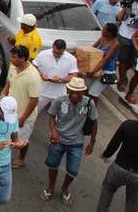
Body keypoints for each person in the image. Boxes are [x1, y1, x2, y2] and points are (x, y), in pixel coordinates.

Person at [41, 77, 98, 205]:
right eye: (72, 91)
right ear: (68, 90)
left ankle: (65, 188)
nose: (74, 95)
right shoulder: (59, 101)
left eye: (78, 93)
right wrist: (54, 131)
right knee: (52, 164)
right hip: (58, 140)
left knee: (73, 170)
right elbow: (51, 116)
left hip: (76, 142)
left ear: (83, 92)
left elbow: (94, 122)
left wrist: (92, 142)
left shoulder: (89, 103)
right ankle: (51, 186)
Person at [0, 45, 41, 169]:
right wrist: (2, 96)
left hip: (24, 116)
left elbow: (34, 101)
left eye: (14, 57)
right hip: (9, 112)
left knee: (21, 140)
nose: (11, 59)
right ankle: (3, 156)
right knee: (5, 135)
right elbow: (8, 83)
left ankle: (21, 158)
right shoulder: (13, 67)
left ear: (23, 59)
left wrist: (23, 118)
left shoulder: (33, 76)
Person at [33, 39, 79, 113]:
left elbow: (74, 75)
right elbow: (34, 66)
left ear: (64, 50)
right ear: (52, 47)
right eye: (55, 52)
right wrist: (41, 75)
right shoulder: (43, 54)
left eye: (59, 53)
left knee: (59, 117)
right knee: (33, 113)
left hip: (60, 94)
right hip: (42, 91)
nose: (56, 54)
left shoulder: (71, 59)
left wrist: (61, 80)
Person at [83, 23, 120, 101]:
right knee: (85, 88)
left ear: (109, 33)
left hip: (106, 71)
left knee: (93, 93)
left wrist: (93, 71)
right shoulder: (102, 38)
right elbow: (92, 49)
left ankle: (93, 110)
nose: (102, 30)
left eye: (104, 29)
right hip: (96, 67)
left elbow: (106, 59)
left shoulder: (115, 44)